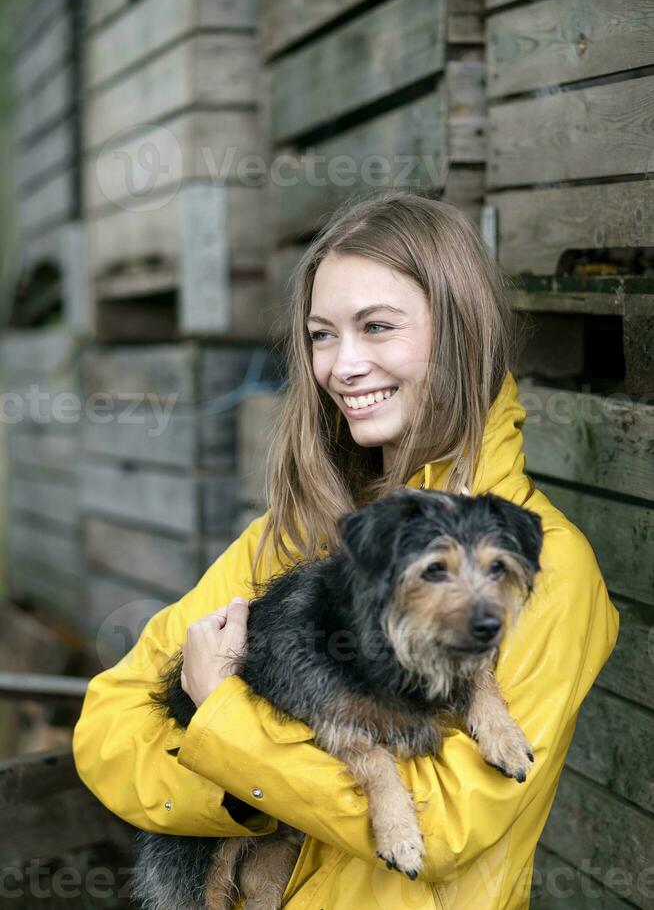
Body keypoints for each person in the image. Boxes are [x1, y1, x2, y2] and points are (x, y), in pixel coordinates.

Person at [73, 190, 619, 909]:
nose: (343, 365)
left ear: (459, 333)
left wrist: (229, 725)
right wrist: (238, 801)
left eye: (377, 327)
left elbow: (451, 820)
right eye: (322, 334)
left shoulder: (541, 567)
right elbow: (109, 723)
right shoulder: (296, 530)